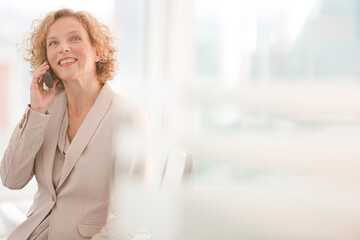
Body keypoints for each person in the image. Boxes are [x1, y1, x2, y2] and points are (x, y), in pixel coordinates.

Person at [0, 8, 149, 240]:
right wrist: (36, 112)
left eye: (75, 38)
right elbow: (11, 179)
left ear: (98, 51)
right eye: (53, 43)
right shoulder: (45, 109)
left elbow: (129, 216)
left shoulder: (126, 116)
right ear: (47, 59)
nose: (63, 48)